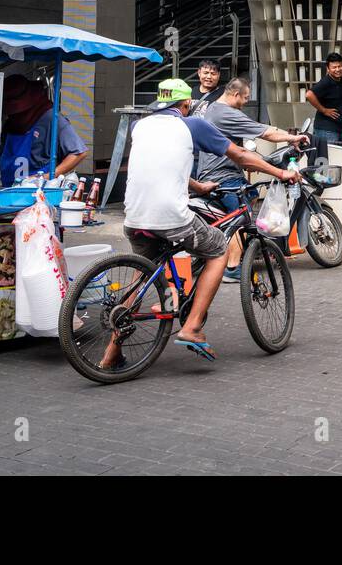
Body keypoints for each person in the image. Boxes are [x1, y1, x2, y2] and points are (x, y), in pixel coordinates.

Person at [105, 79, 298, 366]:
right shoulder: (193, 124)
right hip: (169, 214)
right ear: (185, 105)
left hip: (134, 216)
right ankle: (193, 326)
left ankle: (111, 353)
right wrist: (281, 174)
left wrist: (197, 186)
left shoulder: (140, 126)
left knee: (142, 277)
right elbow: (243, 156)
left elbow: (161, 165)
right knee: (219, 249)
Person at [195, 77, 308, 282]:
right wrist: (293, 138)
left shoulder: (213, 108)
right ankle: (232, 267)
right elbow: (266, 132)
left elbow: (237, 149)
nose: (246, 101)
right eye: (245, 97)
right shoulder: (227, 113)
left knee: (252, 195)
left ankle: (232, 247)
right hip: (223, 176)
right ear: (235, 94)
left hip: (218, 171)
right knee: (239, 217)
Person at [1, 74, 87, 181]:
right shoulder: (10, 123)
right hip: (8, 189)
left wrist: (46, 177)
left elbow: (79, 153)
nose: (13, 114)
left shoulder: (52, 118)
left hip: (40, 191)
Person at [305, 52, 342, 154]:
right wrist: (324, 110)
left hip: (338, 130)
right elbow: (309, 95)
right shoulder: (326, 81)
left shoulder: (339, 80)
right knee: (327, 161)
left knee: (337, 160)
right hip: (327, 131)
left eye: (340, 66)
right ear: (328, 69)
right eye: (334, 67)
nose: (338, 69)